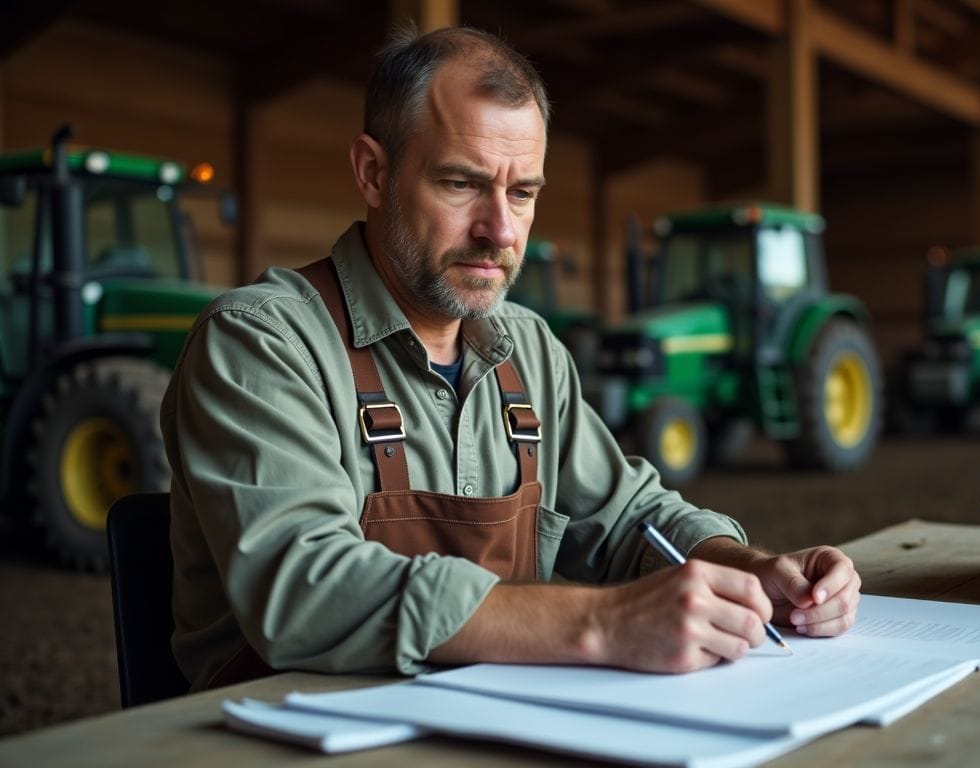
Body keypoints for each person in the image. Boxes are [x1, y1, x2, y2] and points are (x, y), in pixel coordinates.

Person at [161, 25, 860, 692]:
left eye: (522, 193)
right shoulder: (261, 342)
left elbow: (626, 518)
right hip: (287, 735)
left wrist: (748, 569)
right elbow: (303, 589)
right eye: (461, 184)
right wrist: (602, 622)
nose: (500, 229)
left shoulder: (528, 348)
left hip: (485, 722)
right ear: (373, 172)